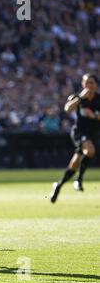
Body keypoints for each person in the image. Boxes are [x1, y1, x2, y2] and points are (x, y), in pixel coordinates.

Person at [50, 74, 100, 203]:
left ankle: (58, 185)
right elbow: (67, 108)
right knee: (90, 151)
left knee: (74, 164)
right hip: (79, 132)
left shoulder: (99, 99)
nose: (89, 85)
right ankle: (79, 179)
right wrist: (80, 97)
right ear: (83, 85)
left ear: (96, 85)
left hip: (93, 133)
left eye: (91, 83)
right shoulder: (78, 98)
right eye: (86, 83)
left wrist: (94, 116)